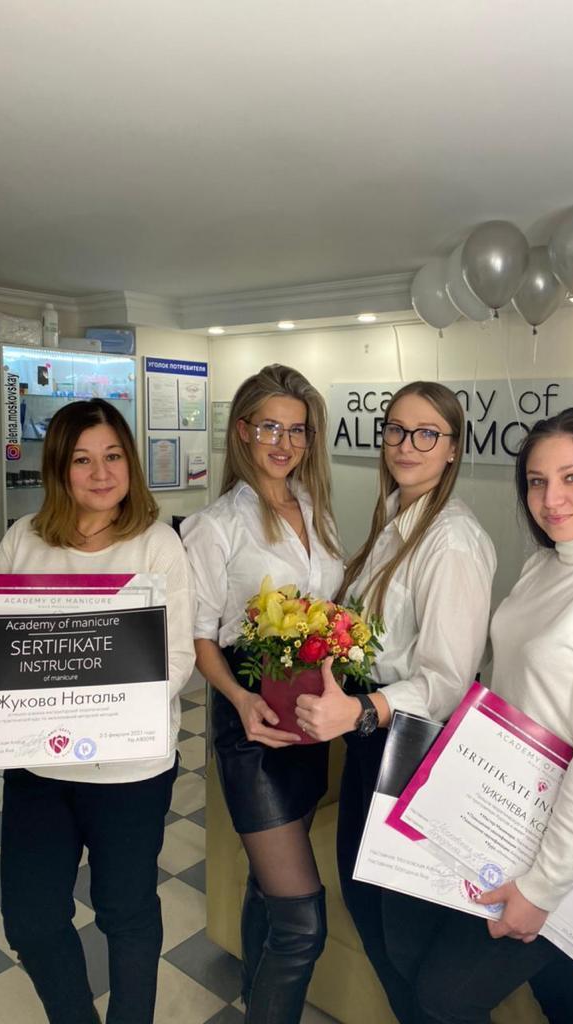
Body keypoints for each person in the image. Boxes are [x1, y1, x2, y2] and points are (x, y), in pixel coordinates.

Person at [382, 406, 573, 1024]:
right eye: (537, 481)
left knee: (444, 994)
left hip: (569, 847)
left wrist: (543, 887)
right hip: (504, 817)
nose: (551, 499)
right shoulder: (543, 565)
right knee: (564, 993)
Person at [0, 398, 195, 1024]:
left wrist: (97, 707)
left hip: (130, 771)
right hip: (40, 769)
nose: (101, 473)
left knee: (125, 913)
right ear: (59, 468)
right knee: (30, 921)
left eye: (113, 456)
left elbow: (176, 657)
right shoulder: (24, 539)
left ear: (130, 462)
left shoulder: (158, 545)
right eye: (83, 460)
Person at [293, 380, 496, 1024]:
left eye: (427, 434)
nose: (407, 445)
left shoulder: (452, 541)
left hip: (412, 747)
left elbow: (447, 679)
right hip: (374, 738)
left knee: (405, 933)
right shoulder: (395, 517)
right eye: (397, 430)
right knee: (364, 900)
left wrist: (359, 711)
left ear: (453, 448)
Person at [181, 364, 344, 1024]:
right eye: (270, 427)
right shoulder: (215, 524)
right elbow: (199, 636)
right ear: (243, 430)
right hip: (251, 722)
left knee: (266, 886)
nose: (284, 442)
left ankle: (255, 994)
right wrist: (239, 698)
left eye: (297, 431)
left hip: (307, 719)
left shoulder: (314, 511)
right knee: (303, 922)